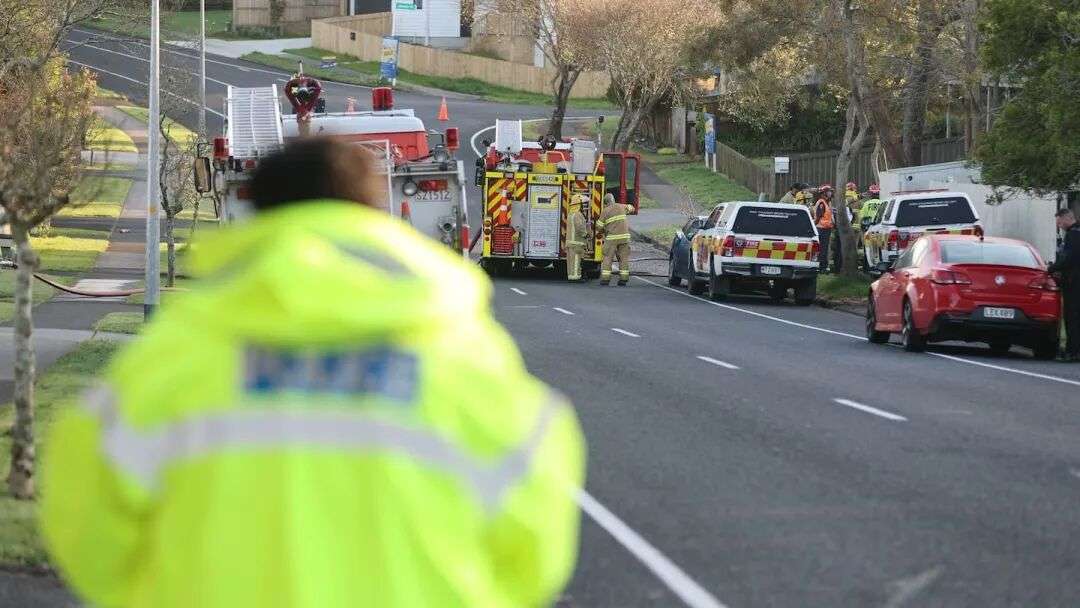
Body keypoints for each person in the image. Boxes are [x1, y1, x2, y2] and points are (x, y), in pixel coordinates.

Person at [39, 137, 586, 608]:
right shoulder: (465, 356)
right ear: (376, 214)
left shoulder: (174, 355)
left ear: (258, 213)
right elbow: (533, 550)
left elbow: (87, 527)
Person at [1048, 208, 1080, 361]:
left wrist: (1051, 268)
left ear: (1067, 218)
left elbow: (1068, 259)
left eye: (1060, 222)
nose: (1059, 225)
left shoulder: (1073, 235)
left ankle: (1073, 352)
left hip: (1074, 283)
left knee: (1072, 317)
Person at [596, 192, 633, 286]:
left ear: (606, 203)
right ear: (613, 200)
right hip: (625, 238)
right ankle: (623, 279)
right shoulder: (621, 206)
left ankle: (605, 279)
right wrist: (628, 209)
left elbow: (599, 226)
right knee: (623, 258)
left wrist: (603, 231)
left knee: (608, 258)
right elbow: (632, 208)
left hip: (612, 238)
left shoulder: (605, 210)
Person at [566, 193, 590, 282]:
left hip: (571, 243)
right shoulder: (578, 215)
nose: (583, 207)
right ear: (578, 205)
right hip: (576, 243)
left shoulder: (570, 214)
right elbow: (579, 227)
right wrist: (585, 234)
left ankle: (571, 276)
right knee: (576, 261)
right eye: (582, 205)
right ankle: (575, 278)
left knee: (571, 262)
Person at [814, 184, 835, 273]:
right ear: (824, 193)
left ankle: (823, 266)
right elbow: (818, 217)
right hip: (821, 229)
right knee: (822, 249)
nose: (830, 193)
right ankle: (821, 267)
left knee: (825, 248)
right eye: (829, 192)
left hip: (826, 228)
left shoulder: (827, 202)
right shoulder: (821, 203)